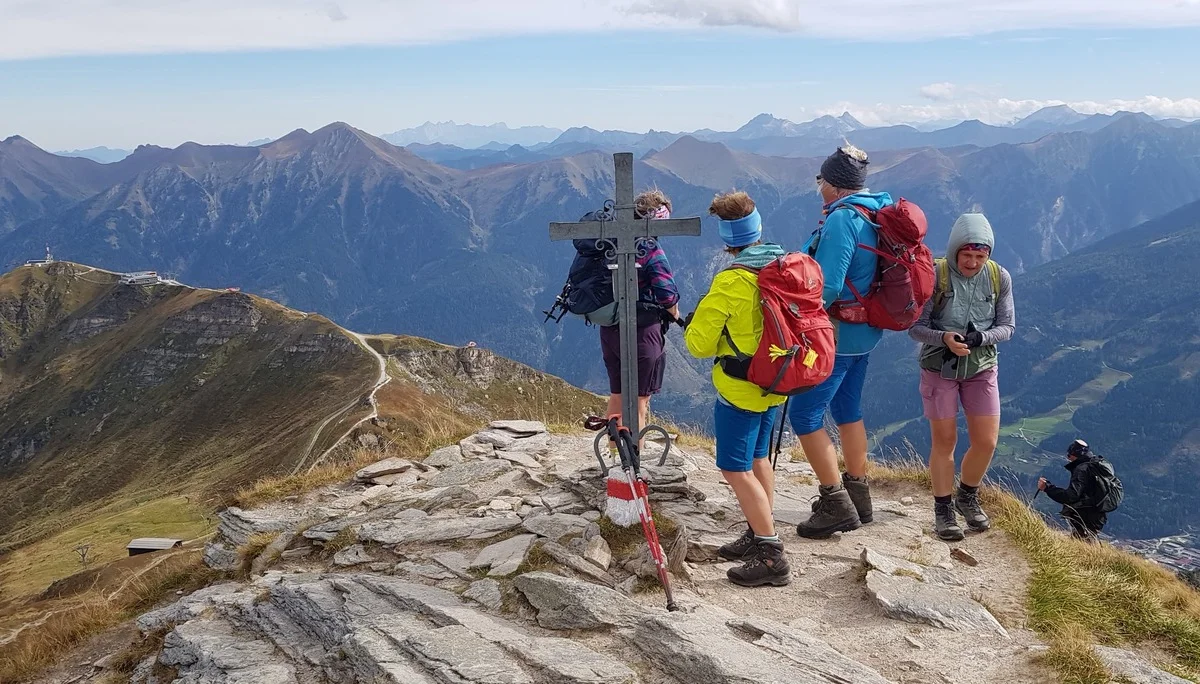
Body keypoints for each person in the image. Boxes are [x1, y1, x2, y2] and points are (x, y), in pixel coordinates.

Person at [684, 191, 790, 587]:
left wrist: (697, 322)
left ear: (727, 239)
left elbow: (698, 345)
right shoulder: (784, 263)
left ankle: (770, 554)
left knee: (734, 467)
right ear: (758, 229)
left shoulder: (731, 281)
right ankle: (757, 531)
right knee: (760, 458)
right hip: (778, 382)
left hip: (741, 389)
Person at [788, 144, 894, 539]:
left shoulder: (842, 220)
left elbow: (828, 285)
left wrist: (794, 315)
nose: (819, 189)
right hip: (866, 332)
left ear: (832, 184)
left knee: (804, 416)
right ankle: (859, 494)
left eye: (821, 181)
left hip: (838, 335)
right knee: (848, 410)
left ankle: (835, 503)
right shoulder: (875, 211)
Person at [908, 213, 1015, 541]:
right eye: (966, 255)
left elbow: (1007, 326)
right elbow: (914, 327)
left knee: (987, 441)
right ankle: (943, 509)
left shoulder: (999, 277)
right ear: (954, 251)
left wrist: (981, 338)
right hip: (939, 368)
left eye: (980, 257)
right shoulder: (936, 276)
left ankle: (967, 496)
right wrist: (946, 339)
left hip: (982, 367)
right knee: (946, 441)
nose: (972, 262)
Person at [598, 190, 680, 436]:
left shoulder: (612, 243)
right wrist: (676, 315)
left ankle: (615, 460)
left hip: (610, 328)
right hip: (642, 332)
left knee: (617, 395)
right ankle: (634, 465)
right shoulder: (649, 248)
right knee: (639, 402)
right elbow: (667, 295)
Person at [1039, 439, 1119, 541]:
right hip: (1098, 513)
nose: (1068, 458)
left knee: (1084, 541)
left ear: (1074, 455)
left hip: (1086, 515)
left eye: (1069, 455)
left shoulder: (1081, 469)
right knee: (1087, 540)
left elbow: (1071, 496)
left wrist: (1048, 488)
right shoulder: (1095, 465)